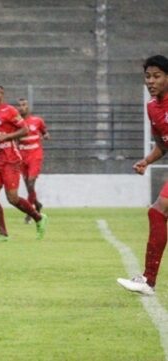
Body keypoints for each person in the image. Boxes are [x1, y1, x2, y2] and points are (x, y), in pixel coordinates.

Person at [117, 55, 168, 296]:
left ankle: (148, 280)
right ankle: (148, 280)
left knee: (158, 210)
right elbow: (162, 144)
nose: (151, 81)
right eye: (148, 76)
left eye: (157, 76)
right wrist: (146, 161)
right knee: (157, 211)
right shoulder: (152, 107)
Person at [0, 84, 48, 243]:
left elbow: (24, 130)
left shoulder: (10, 111)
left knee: (13, 198)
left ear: (1, 95)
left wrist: (8, 137)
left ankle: (38, 218)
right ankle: (3, 234)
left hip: (10, 159)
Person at [17, 98, 50, 223]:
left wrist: (46, 135)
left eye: (24, 105)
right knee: (28, 186)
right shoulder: (15, 123)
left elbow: (45, 132)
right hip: (22, 155)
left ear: (28, 107)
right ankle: (37, 204)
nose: (21, 107)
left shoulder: (37, 121)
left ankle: (30, 213)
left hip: (35, 154)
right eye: (19, 105)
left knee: (31, 183)